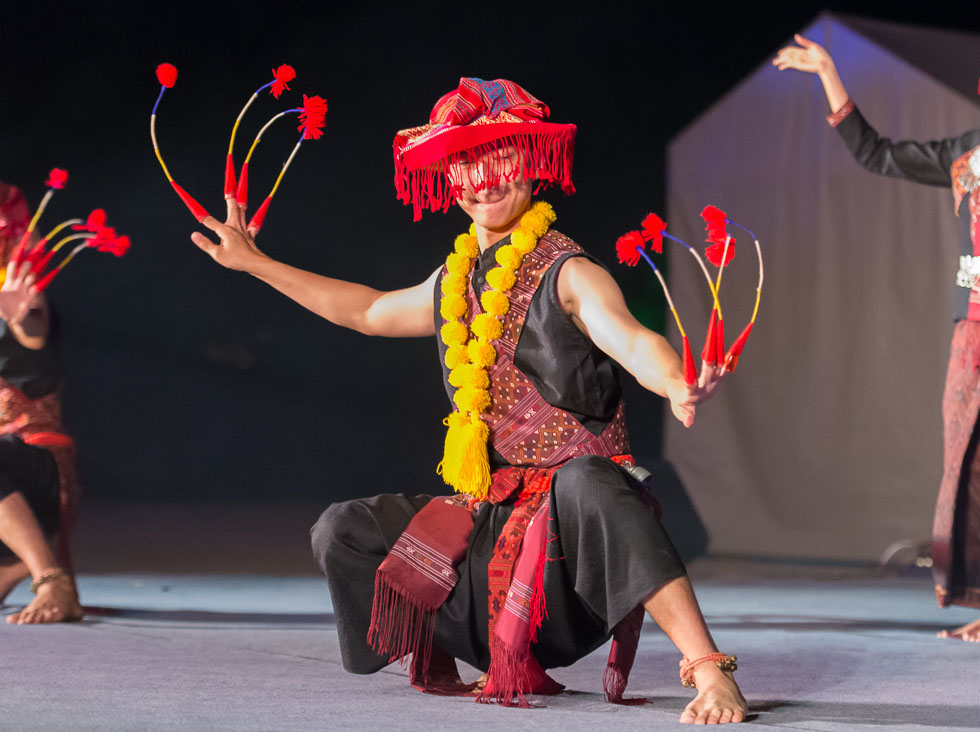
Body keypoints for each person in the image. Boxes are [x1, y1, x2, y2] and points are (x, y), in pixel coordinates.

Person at [192, 77, 748, 723]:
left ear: (534, 163)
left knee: (593, 481)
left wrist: (676, 381)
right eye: (465, 163)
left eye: (500, 156)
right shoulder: (453, 281)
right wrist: (257, 263)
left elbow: (629, 338)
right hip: (490, 542)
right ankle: (464, 653)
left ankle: (711, 672)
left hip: (572, 568)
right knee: (343, 529)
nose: (483, 178)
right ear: (451, 181)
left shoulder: (571, 272)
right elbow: (368, 310)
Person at [774, 16, 980, 643]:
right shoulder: (968, 152)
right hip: (973, 316)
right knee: (970, 457)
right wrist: (828, 75)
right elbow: (878, 153)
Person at [0, 181, 83, 624]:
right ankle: (11, 567)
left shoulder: (22, 297)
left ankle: (50, 577)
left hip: (34, 468)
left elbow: (31, 327)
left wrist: (21, 314)